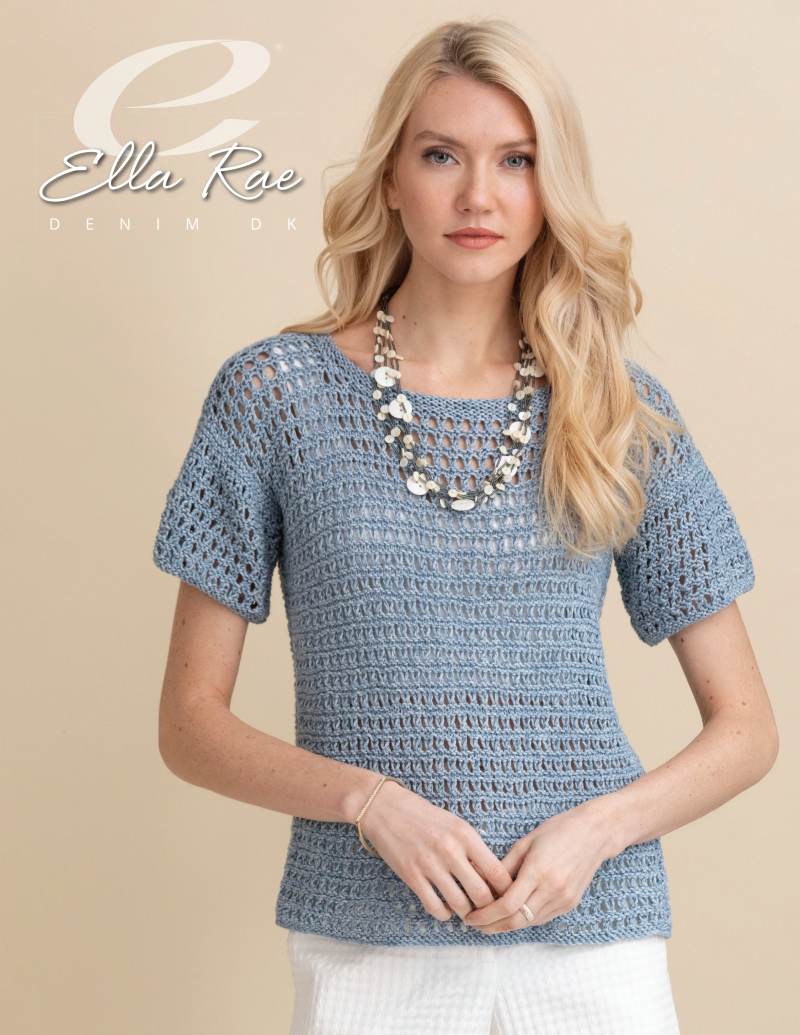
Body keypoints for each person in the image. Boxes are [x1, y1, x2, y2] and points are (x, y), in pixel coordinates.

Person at [152, 17, 778, 1035]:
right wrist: (368, 803)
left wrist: (597, 832)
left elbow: (746, 729)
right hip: (368, 944)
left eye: (516, 160)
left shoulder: (616, 411)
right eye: (442, 155)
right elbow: (189, 724)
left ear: (550, 186)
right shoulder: (275, 395)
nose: (478, 195)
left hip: (592, 941)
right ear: (392, 179)